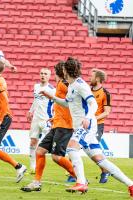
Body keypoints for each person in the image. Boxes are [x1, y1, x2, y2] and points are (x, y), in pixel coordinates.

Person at [41, 57, 133, 197]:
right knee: (100, 160)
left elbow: (93, 104)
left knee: (71, 147)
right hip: (82, 126)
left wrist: (88, 117)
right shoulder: (71, 86)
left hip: (86, 126)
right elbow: (67, 103)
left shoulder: (80, 85)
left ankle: (81, 182)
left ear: (66, 70)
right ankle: (131, 184)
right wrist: (52, 98)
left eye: (64, 68)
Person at [21, 61, 76, 192]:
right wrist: (55, 116)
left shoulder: (64, 85)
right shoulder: (59, 84)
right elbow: (60, 104)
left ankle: (79, 178)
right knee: (40, 151)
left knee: (57, 157)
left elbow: (71, 103)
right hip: (56, 123)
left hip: (64, 125)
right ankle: (36, 182)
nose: (43, 75)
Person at [26, 68, 55, 174]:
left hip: (46, 119)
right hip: (36, 119)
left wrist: (54, 117)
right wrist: (30, 111)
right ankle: (33, 167)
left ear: (49, 76)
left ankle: (64, 161)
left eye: (45, 74)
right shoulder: (36, 86)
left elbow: (56, 104)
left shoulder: (52, 89)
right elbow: (35, 100)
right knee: (33, 141)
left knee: (52, 143)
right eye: (41, 73)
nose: (43, 75)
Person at [90, 68, 112, 183]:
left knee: (95, 151)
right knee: (77, 146)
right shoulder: (87, 90)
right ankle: (73, 174)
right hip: (86, 125)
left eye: (91, 76)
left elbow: (106, 112)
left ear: (97, 79)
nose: (89, 78)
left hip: (97, 125)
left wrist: (92, 118)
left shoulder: (105, 93)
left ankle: (105, 171)